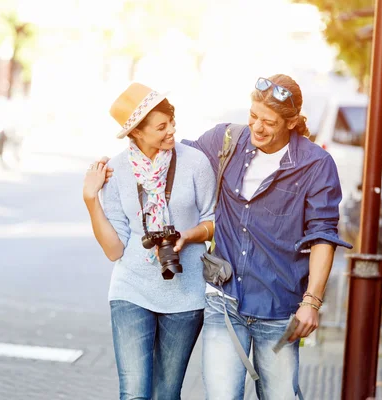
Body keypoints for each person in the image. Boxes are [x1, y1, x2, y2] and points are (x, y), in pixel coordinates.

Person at [179, 74, 353, 399]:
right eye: (253, 116)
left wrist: (311, 303)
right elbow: (178, 160)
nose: (257, 128)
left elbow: (323, 238)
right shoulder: (226, 140)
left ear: (291, 122)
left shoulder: (316, 165)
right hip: (224, 298)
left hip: (279, 306)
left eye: (268, 122)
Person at [82, 82, 216, 400]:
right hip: (131, 290)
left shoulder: (195, 163)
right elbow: (115, 249)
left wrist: (188, 235)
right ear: (137, 133)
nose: (171, 131)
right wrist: (91, 199)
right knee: (134, 392)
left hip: (186, 295)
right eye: (161, 126)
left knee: (167, 393)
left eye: (171, 122)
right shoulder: (117, 171)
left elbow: (215, 220)